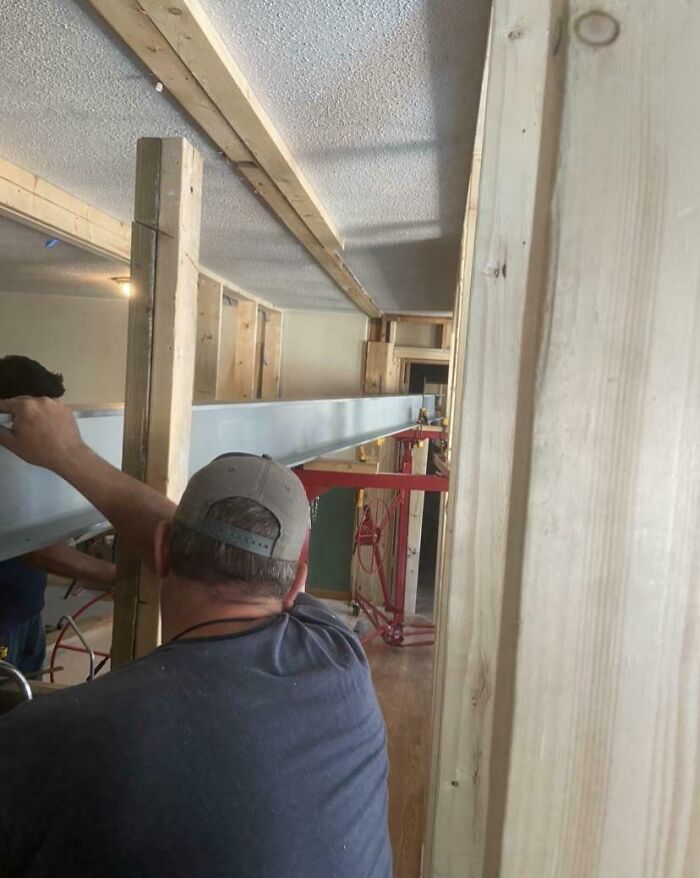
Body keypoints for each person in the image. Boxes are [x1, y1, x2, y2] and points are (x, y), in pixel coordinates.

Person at [0, 396, 392, 878]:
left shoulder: (57, 739)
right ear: (295, 585)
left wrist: (69, 453)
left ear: (162, 550)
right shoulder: (339, 656)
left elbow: (171, 527)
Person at [0, 356, 115, 673]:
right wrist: (116, 576)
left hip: (28, 612)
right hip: (5, 622)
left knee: (25, 705)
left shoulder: (21, 457)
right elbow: (36, 551)